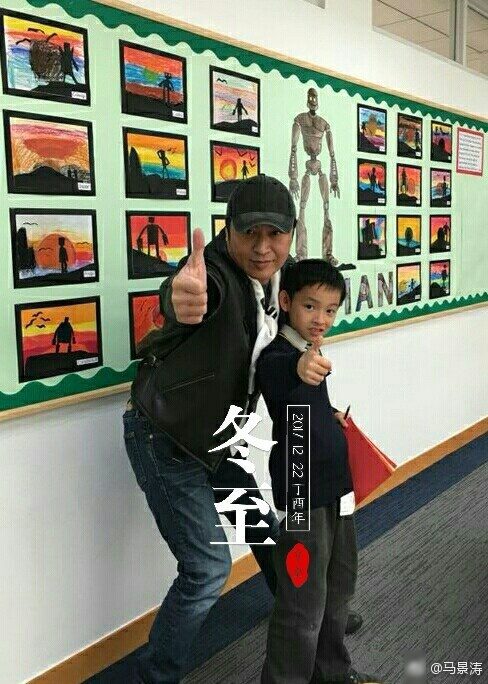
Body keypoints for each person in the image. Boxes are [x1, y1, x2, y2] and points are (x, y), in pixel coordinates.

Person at [123, 175, 362, 684]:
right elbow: (186, 294)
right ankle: (154, 676)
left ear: (290, 233)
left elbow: (287, 349)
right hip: (167, 441)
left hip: (219, 439)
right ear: (227, 230)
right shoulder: (211, 274)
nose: (262, 247)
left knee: (266, 532)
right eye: (249, 232)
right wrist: (177, 298)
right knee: (207, 570)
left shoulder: (283, 280)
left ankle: (310, 614)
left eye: (275, 234)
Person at [258, 259, 380, 684]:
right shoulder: (279, 356)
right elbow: (281, 380)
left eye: (330, 310)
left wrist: (328, 415)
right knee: (302, 602)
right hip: (301, 492)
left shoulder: (311, 350)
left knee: (338, 588)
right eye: (310, 306)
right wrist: (299, 368)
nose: (320, 319)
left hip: (336, 485)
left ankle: (332, 674)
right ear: (286, 301)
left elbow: (301, 407)